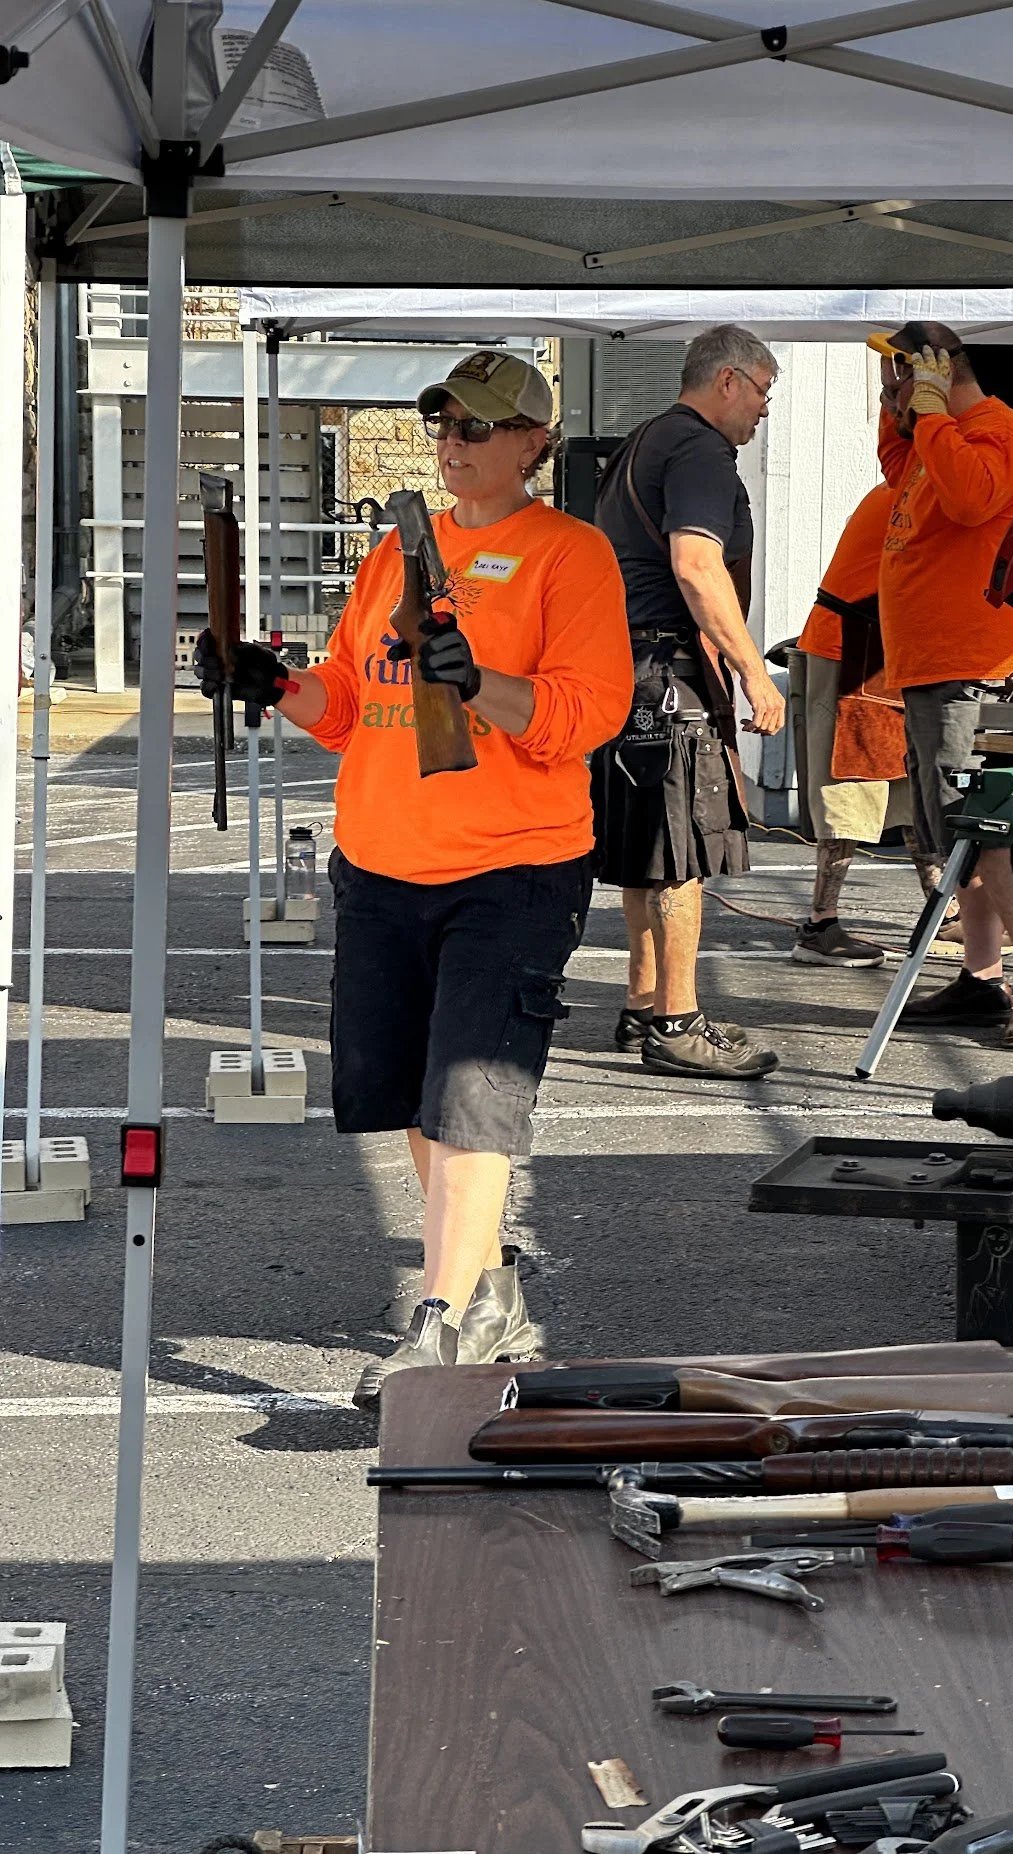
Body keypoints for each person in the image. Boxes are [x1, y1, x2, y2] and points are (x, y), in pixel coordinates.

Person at [194, 351, 632, 1408]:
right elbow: (347, 702)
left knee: (471, 1098)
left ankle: (440, 1326)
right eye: (442, 423)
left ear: (534, 442)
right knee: (411, 1099)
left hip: (513, 869)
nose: (452, 442)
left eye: (476, 427)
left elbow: (588, 714)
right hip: (383, 863)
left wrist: (477, 681)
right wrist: (272, 681)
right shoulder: (397, 550)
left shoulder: (567, 556)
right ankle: (486, 1290)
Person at [591, 324, 785, 1079]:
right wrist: (753, 673)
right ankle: (676, 1023)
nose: (764, 409)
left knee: (644, 853)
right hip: (668, 673)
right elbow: (698, 565)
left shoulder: (642, 441)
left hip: (627, 670)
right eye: (763, 391)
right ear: (728, 380)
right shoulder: (701, 449)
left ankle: (644, 1003)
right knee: (679, 857)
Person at [873, 320, 1013, 1048]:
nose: (886, 385)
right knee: (957, 837)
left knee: (986, 834)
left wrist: (932, 409)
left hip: (974, 670)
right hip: (934, 668)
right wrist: (904, 411)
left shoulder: (997, 431)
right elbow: (897, 468)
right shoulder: (936, 433)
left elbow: (975, 500)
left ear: (936, 371)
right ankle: (981, 980)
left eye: (895, 372)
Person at [793, 479, 958, 966]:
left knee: (911, 783)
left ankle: (940, 911)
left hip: (889, 646)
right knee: (850, 786)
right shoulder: (918, 495)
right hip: (850, 647)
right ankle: (821, 924)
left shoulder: (917, 490)